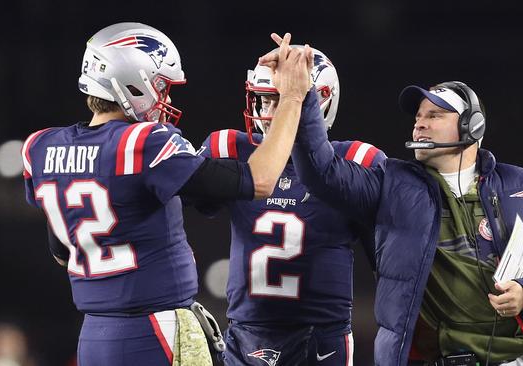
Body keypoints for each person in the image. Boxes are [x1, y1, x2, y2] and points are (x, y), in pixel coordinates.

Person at [260, 38, 523, 365]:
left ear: (471, 126)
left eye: (434, 114)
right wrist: (299, 97)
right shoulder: (391, 183)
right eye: (418, 115)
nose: (420, 122)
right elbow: (321, 171)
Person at [21, 24, 312, 366]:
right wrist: (292, 97)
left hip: (93, 336)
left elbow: (61, 252)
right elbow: (260, 180)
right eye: (162, 87)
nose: (167, 99)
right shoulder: (142, 143)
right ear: (133, 81)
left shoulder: (40, 148)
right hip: (154, 331)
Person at [193, 47, 386, 365]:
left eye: (279, 99)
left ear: (320, 101)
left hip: (322, 337)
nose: (268, 111)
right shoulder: (230, 149)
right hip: (246, 333)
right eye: (263, 99)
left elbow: (388, 261)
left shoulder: (354, 162)